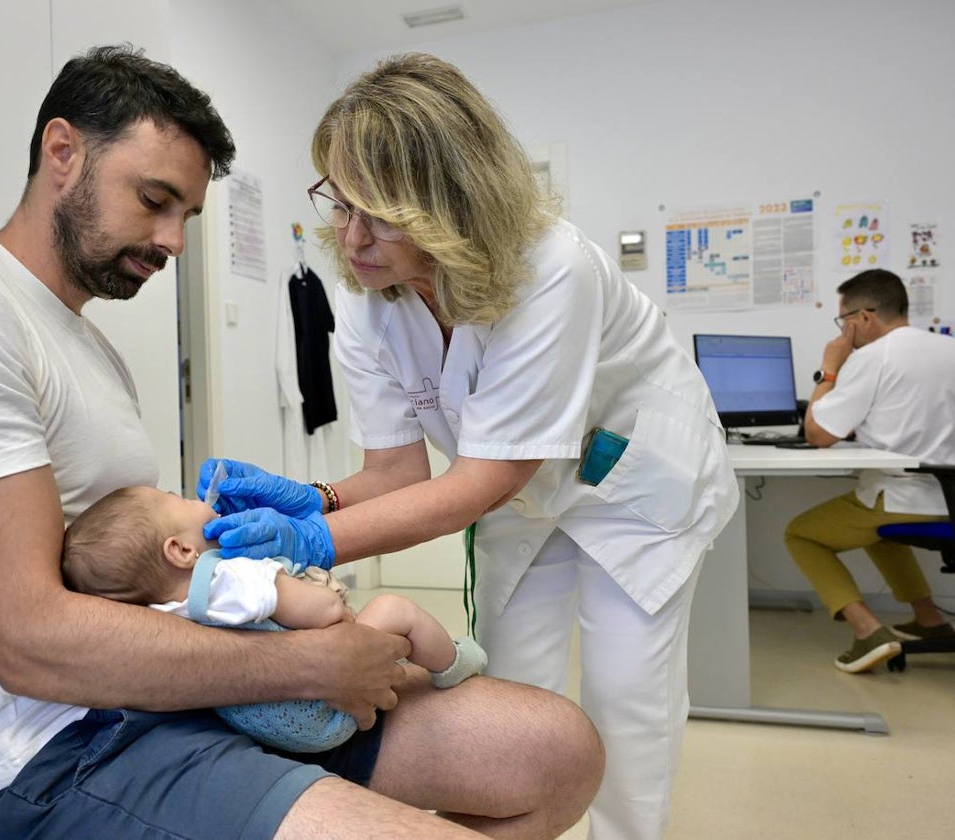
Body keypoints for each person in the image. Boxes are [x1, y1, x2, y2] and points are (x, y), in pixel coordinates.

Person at [0, 45, 603, 840]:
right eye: (154, 199)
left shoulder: (82, 346)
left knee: (558, 754)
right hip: (69, 754)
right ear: (62, 152)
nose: (174, 241)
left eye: (187, 215)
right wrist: (309, 662)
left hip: (176, 695)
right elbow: (29, 643)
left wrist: (283, 538)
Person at [199, 53, 740, 840]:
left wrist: (311, 540)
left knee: (628, 698)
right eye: (340, 204)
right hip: (521, 493)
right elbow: (396, 471)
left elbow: (483, 478)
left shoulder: (552, 268)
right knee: (511, 697)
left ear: (448, 203)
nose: (351, 239)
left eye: (379, 213)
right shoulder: (369, 297)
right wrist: (316, 499)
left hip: (633, 481)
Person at [61, 484, 488, 752]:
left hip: (262, 727)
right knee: (393, 610)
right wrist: (307, 586)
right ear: (181, 551)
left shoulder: (160, 612)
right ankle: (452, 662)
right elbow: (324, 612)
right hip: (321, 711)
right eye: (177, 498)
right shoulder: (231, 578)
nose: (193, 497)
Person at [786, 269, 955, 673]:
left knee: (801, 534)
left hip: (902, 496)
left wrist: (830, 368)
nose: (844, 331)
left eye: (843, 321)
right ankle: (930, 619)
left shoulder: (872, 357)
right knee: (876, 535)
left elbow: (819, 433)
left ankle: (868, 632)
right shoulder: (947, 348)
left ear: (863, 318)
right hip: (945, 499)